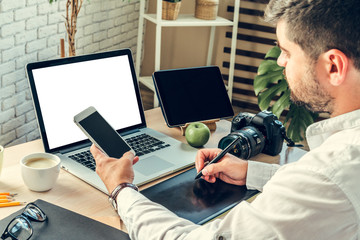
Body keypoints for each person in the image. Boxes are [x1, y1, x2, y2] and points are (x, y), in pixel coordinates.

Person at [91, 0, 360, 239]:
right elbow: (325, 188)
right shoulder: (340, 167)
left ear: (333, 66)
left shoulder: (329, 173)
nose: (280, 62)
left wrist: (121, 189)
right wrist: (250, 172)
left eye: (287, 52)